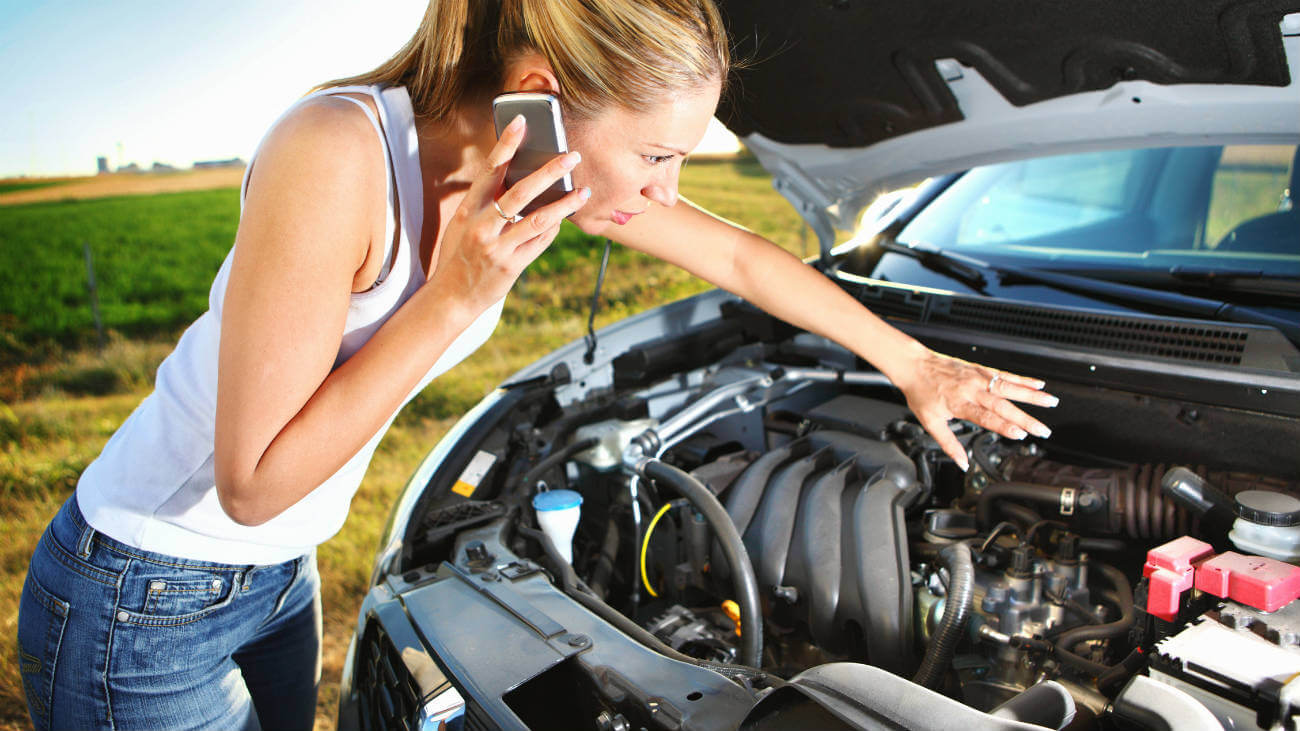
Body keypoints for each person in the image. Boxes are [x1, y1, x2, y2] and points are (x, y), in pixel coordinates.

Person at [16, 0, 1058, 729]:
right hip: (144, 586)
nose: (662, 190)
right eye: (656, 155)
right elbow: (250, 483)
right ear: (539, 94)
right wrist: (453, 298)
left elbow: (739, 254)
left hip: (279, 574)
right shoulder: (334, 152)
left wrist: (913, 362)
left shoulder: (535, 171)